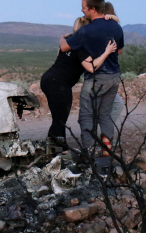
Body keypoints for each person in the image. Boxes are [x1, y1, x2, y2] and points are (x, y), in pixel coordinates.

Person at [60, 0, 124, 155]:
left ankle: (88, 154)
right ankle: (106, 152)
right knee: (105, 115)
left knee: (87, 117)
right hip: (114, 76)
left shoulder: (86, 30)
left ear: (92, 9)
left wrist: (64, 37)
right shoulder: (116, 26)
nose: (82, 10)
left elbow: (64, 47)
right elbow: (120, 50)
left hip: (96, 79)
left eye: (84, 7)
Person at [41, 15, 118, 148]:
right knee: (60, 119)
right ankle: (58, 150)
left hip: (50, 79)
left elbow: (61, 47)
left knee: (59, 117)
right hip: (59, 84)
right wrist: (107, 52)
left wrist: (62, 37)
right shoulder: (81, 47)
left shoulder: (69, 41)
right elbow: (91, 67)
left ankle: (53, 148)